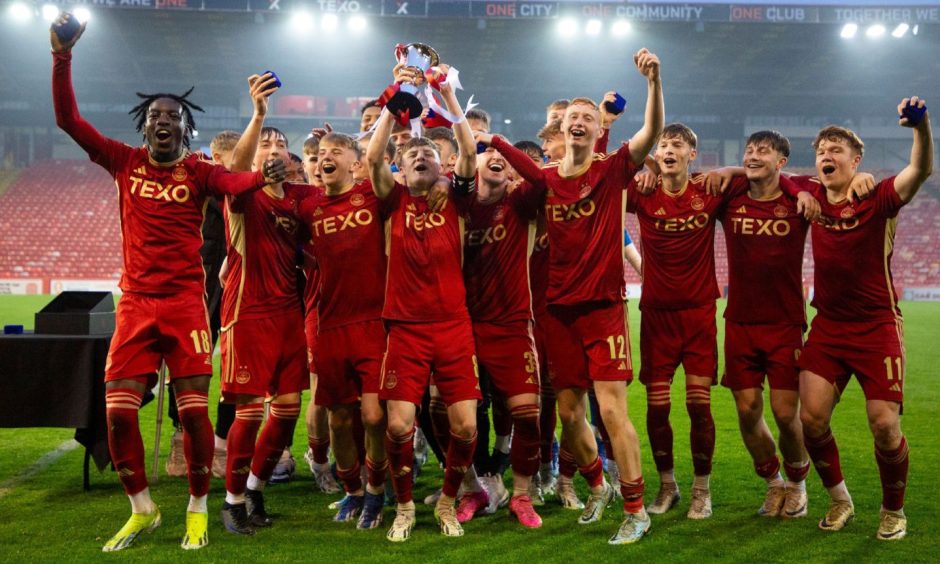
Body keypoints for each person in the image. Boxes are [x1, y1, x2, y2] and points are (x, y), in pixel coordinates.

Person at [50, 18, 285, 552]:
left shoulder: (200, 173)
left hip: (184, 306)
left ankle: (198, 508)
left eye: (172, 116)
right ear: (143, 125)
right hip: (134, 304)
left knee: (195, 412)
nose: (162, 122)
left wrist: (260, 177)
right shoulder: (123, 161)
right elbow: (68, 120)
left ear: (185, 127)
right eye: (155, 115)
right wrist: (61, 57)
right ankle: (142, 510)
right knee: (115, 414)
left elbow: (231, 181)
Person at [480, 47, 664, 545]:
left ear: (594, 128)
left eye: (586, 117)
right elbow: (514, 177)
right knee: (567, 414)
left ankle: (636, 508)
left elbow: (648, 136)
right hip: (557, 311)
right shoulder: (544, 183)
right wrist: (488, 139)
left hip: (603, 308)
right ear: (560, 131)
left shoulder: (610, 172)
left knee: (612, 412)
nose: (577, 122)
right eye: (570, 118)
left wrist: (653, 82)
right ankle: (596, 486)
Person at [792, 102, 932, 540]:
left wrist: (922, 128)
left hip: (877, 327)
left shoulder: (879, 195)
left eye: (836, 149)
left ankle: (894, 510)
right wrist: (800, 190)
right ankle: (840, 500)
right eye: (820, 150)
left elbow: (920, 171)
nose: (826, 154)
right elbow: (760, 174)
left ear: (857, 161)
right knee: (810, 420)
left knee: (885, 425)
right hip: (829, 327)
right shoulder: (810, 193)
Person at [366, 63, 479, 542]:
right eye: (411, 151)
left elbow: (471, 151)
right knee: (396, 426)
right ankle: (407, 507)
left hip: (453, 326)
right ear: (402, 163)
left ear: (441, 165)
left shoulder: (453, 199)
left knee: (467, 429)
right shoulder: (391, 200)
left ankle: (449, 503)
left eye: (428, 151)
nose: (419, 155)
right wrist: (396, 101)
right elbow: (372, 160)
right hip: (405, 328)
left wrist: (446, 94)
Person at [218, 74, 309, 536]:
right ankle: (231, 502)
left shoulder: (298, 199)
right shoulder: (242, 197)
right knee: (249, 413)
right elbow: (234, 172)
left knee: (288, 409)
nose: (272, 150)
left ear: (290, 160)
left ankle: (253, 487)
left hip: (290, 316)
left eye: (279, 145)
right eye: (264, 145)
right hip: (248, 312)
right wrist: (258, 115)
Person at [296, 132, 390, 529]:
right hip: (331, 324)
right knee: (336, 418)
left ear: (355, 163)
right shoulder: (309, 207)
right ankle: (352, 491)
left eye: (336, 152)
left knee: (372, 416)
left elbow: (384, 162)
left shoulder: (373, 195)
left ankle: (375, 491)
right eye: (320, 155)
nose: (325, 158)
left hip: (373, 324)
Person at [718, 131, 812, 518]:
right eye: (749, 151)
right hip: (740, 322)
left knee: (787, 414)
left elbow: (840, 182)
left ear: (782, 161)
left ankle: (798, 484)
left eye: (764, 151)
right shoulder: (730, 196)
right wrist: (730, 168)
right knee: (747, 410)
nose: (753, 155)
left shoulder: (801, 197)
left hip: (785, 323)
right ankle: (773, 484)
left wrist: (796, 188)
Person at [453, 147, 544, 528]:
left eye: (503, 159)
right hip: (462, 325)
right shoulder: (457, 206)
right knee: (451, 417)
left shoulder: (519, 202)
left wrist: (497, 140)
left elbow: (539, 179)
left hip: (510, 324)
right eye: (487, 153)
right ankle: (472, 487)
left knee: (528, 415)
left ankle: (521, 495)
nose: (497, 157)